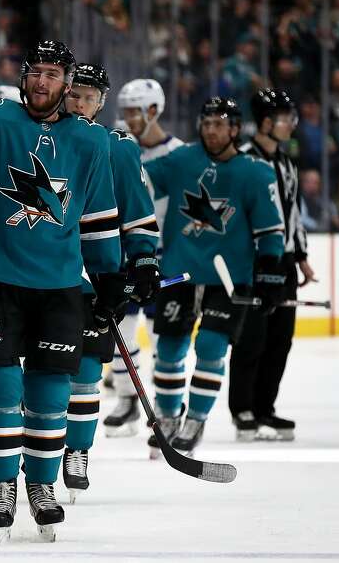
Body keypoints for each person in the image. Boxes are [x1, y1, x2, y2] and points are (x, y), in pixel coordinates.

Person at [0, 41, 121, 542]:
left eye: (53, 74)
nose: (42, 82)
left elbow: (99, 218)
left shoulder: (91, 141)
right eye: (35, 72)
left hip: (59, 287)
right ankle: (2, 487)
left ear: (69, 84)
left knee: (50, 392)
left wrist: (109, 279)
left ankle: (41, 485)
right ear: (24, 77)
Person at [142, 96, 285, 458]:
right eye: (206, 123)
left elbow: (271, 232)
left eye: (219, 124)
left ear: (235, 129)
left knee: (209, 347)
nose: (211, 130)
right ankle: (168, 417)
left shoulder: (255, 172)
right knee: (170, 350)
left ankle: (196, 420)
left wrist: (269, 273)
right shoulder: (182, 160)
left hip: (229, 279)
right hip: (177, 274)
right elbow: (141, 183)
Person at [61, 64, 159, 502]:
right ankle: (39, 449)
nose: (79, 103)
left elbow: (138, 213)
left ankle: (77, 450)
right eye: (74, 94)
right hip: (40, 274)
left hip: (94, 280)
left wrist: (141, 261)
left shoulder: (118, 148)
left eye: (89, 97)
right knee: (38, 371)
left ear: (102, 104)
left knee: (84, 371)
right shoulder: (37, 138)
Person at [230, 89, 315, 441]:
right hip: (253, 262)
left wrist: (302, 257)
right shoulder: (244, 161)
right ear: (266, 121)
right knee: (252, 337)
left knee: (281, 338)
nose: (291, 125)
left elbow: (292, 213)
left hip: (284, 263)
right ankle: (243, 409)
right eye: (285, 118)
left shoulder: (286, 161)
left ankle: (266, 408)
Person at [103, 78, 183, 436]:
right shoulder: (122, 148)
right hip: (127, 255)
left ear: (154, 110)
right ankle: (128, 400)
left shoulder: (180, 154)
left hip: (166, 259)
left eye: (136, 111)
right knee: (120, 329)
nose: (129, 118)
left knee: (163, 336)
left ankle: (168, 407)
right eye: (126, 111)